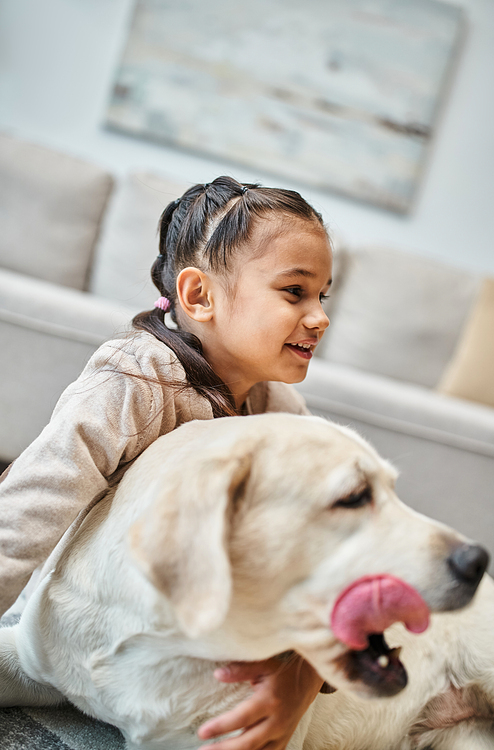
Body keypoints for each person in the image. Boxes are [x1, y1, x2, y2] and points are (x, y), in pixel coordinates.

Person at [0, 176, 333, 750]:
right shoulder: (134, 382)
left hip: (172, 644)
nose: (319, 317)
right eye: (294, 292)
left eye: (323, 297)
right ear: (199, 295)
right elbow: (34, 502)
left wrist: (306, 667)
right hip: (69, 629)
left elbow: (322, 546)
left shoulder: (283, 413)